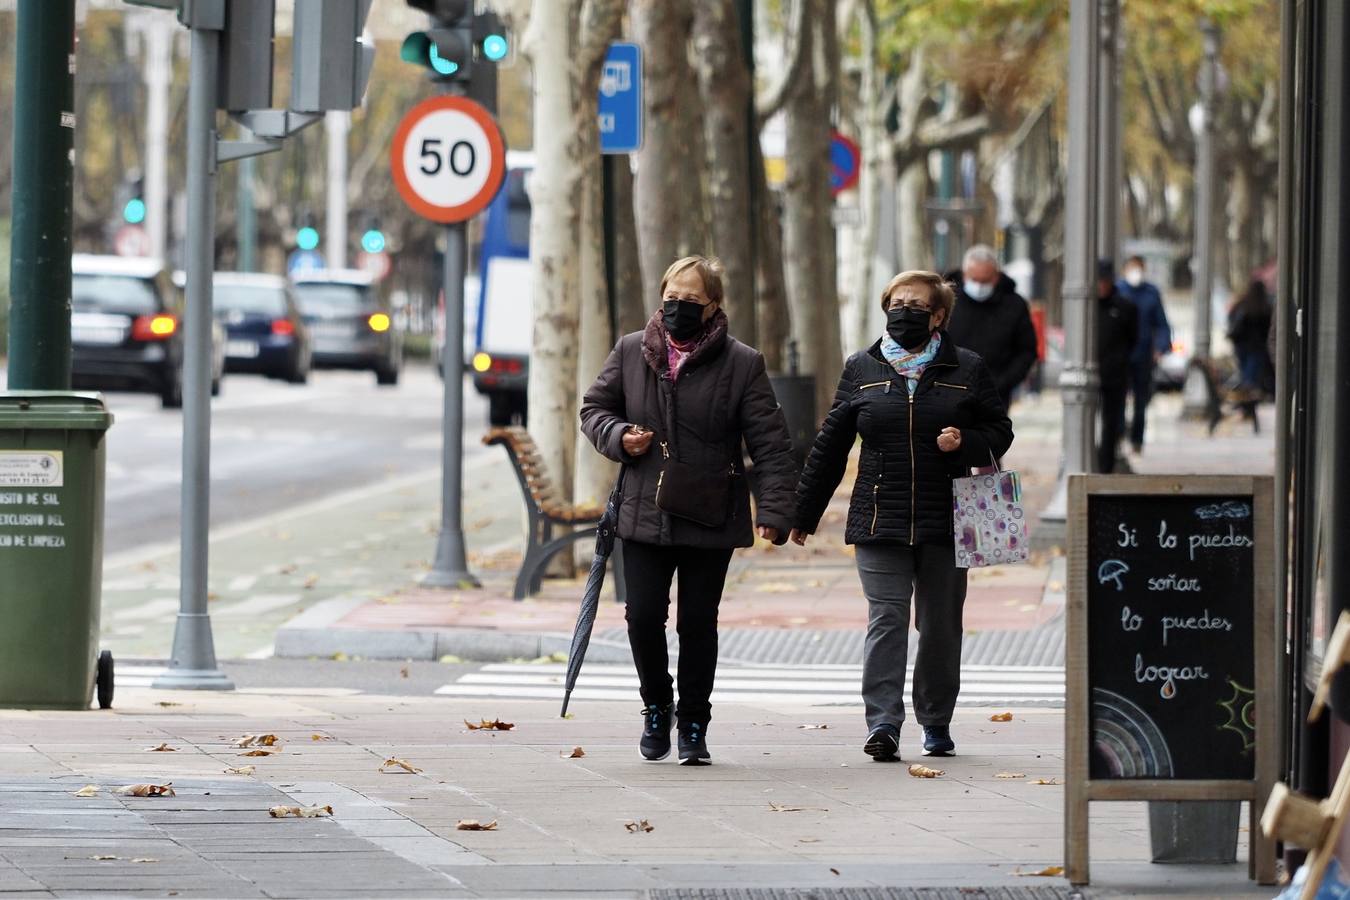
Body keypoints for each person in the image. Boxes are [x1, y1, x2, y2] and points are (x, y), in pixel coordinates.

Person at [579, 255, 798, 766]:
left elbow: (770, 443)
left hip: (710, 511)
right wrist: (619, 437)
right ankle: (657, 706)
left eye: (691, 301)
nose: (678, 308)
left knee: (698, 623)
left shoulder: (743, 363)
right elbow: (594, 409)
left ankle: (694, 723)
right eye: (671, 299)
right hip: (642, 507)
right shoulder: (632, 350)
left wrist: (776, 509)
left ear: (713, 306)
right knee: (642, 618)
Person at [789, 270, 1013, 762]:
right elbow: (831, 445)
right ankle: (884, 723)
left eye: (915, 305)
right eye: (895, 303)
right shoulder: (861, 367)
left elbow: (1000, 431)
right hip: (878, 518)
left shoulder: (967, 368)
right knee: (886, 618)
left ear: (938, 316)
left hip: (948, 519)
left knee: (938, 625)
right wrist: (801, 512)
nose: (902, 312)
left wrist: (966, 442)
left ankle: (935, 720)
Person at [944, 245, 1039, 413]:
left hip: (996, 395)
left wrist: (1004, 382)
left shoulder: (1014, 305)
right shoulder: (947, 301)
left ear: (996, 276)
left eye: (985, 280)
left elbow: (1026, 350)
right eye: (975, 279)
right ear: (965, 275)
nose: (979, 286)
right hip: (948, 391)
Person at [1116, 255, 1172, 455]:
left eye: (1138, 268)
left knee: (1142, 400)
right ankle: (1119, 434)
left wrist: (1160, 347)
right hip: (1121, 356)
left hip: (1143, 355)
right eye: (1132, 268)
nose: (1135, 272)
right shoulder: (1118, 290)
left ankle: (1137, 440)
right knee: (1118, 399)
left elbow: (1162, 324)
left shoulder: (1151, 293)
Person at [1096, 259, 1139, 474]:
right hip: (1092, 372)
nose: (1100, 286)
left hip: (1114, 374)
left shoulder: (1125, 307)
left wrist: (1119, 360)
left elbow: (1133, 338)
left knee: (1111, 423)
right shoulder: (1086, 306)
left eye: (1104, 281)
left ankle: (1106, 465)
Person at [1227, 278, 1275, 398]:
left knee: (1246, 374)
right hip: (1257, 347)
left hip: (1241, 345)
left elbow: (1232, 319)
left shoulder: (1242, 304)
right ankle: (1248, 399)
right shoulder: (1265, 308)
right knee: (1252, 375)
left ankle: (1245, 399)